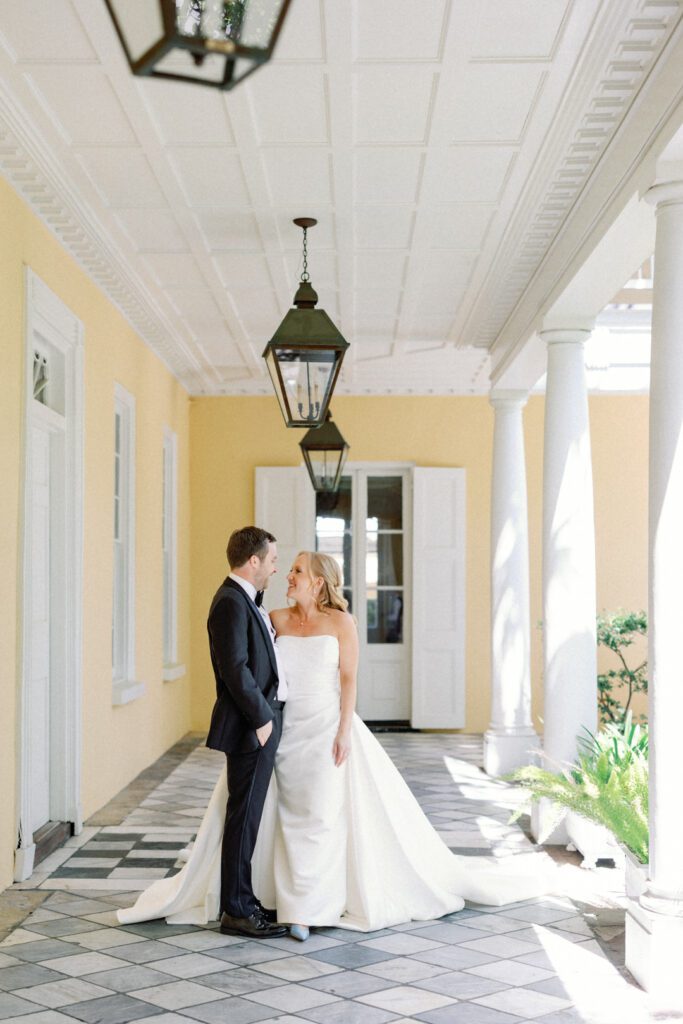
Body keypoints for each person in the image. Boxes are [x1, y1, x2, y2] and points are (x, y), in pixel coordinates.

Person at [118, 550, 555, 934]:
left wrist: (345, 730)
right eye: (285, 569)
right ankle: (271, 897)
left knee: (321, 816)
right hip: (282, 730)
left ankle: (310, 907)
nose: (287, 576)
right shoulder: (275, 620)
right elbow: (252, 673)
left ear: (318, 582)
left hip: (327, 728)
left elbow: (348, 680)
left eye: (297, 571)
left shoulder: (342, 622)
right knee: (277, 815)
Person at [204, 526, 287, 939]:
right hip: (251, 726)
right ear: (252, 561)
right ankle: (236, 910)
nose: (275, 568)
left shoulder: (242, 599)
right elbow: (234, 669)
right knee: (244, 817)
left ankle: (242, 899)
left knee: (249, 816)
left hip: (259, 722)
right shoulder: (230, 602)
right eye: (271, 560)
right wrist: (262, 719)